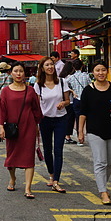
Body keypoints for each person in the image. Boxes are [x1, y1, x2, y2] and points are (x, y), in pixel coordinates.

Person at [0, 62, 43, 199]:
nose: (19, 74)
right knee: (12, 157)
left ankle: (28, 188)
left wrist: (37, 126)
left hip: (29, 127)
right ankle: (13, 178)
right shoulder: (6, 91)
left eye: (21, 71)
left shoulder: (31, 91)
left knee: (28, 157)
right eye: (16, 71)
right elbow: (1, 110)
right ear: (11, 73)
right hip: (12, 128)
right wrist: (1, 127)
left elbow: (36, 110)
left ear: (24, 73)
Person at [78, 62, 111, 205]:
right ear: (93, 72)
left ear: (107, 71)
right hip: (94, 130)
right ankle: (103, 191)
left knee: (110, 162)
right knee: (100, 162)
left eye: (103, 70)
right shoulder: (88, 90)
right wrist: (80, 131)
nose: (101, 73)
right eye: (97, 70)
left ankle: (102, 184)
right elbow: (82, 112)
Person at [34, 56, 72, 193]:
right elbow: (36, 105)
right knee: (48, 150)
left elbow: (68, 100)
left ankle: (56, 180)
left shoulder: (62, 82)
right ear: (42, 69)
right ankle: (51, 174)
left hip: (61, 119)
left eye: (52, 64)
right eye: (47, 65)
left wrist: (63, 103)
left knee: (58, 150)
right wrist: (35, 122)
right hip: (45, 120)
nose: (50, 67)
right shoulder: (38, 85)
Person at [65, 59, 91, 146]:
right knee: (88, 117)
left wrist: (73, 91)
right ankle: (88, 135)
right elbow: (91, 86)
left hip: (76, 100)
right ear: (82, 66)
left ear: (73, 67)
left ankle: (80, 137)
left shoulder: (71, 77)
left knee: (77, 118)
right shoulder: (86, 76)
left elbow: (66, 87)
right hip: (86, 99)